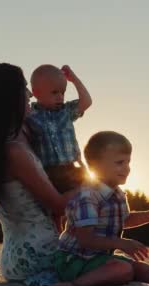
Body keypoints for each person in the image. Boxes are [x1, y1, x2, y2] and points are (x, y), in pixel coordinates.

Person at [0, 63, 73, 285]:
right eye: (24, 88)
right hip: (38, 256)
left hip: (18, 258)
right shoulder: (14, 151)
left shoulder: (18, 136)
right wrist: (97, 185)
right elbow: (58, 205)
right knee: (119, 268)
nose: (30, 94)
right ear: (7, 97)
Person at [52, 131, 149, 286]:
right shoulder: (87, 196)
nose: (126, 168)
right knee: (124, 269)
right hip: (73, 261)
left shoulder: (117, 194)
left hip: (98, 259)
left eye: (128, 162)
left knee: (141, 268)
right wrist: (121, 243)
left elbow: (124, 220)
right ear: (95, 165)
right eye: (120, 163)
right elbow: (85, 239)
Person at [26, 64, 93, 193]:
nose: (60, 96)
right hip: (46, 173)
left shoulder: (66, 111)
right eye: (54, 92)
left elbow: (86, 102)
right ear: (36, 93)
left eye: (63, 92)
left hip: (73, 168)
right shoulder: (30, 115)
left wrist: (74, 79)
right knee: (55, 208)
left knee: (83, 199)